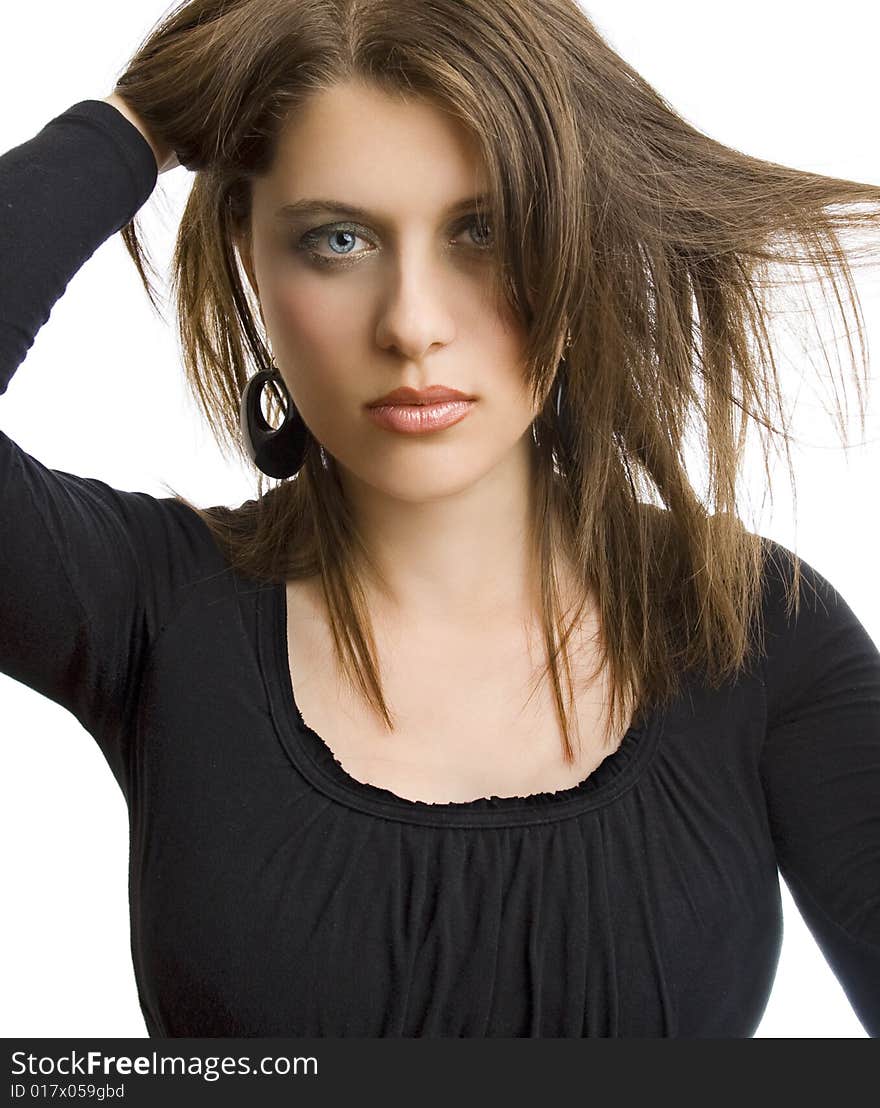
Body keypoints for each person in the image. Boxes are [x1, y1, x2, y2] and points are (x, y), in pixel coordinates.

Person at [1, 0, 879, 1038]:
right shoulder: (151, 610)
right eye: (336, 239)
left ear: (575, 239)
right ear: (248, 252)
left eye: (483, 231)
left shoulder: (752, 627)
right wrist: (138, 119)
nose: (412, 323)